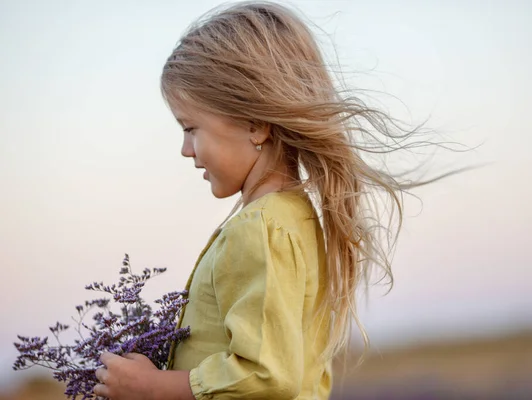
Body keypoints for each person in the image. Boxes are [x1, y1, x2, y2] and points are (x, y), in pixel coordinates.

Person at [93, 1, 446, 399]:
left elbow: (267, 375)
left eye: (191, 128)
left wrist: (154, 387)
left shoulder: (261, 228)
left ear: (256, 125)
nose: (185, 150)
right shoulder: (296, 218)